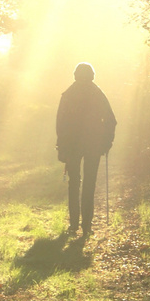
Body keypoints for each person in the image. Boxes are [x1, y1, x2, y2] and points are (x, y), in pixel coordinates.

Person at [55, 62, 117, 236]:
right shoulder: (98, 94)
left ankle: (74, 225)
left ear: (75, 75)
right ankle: (87, 226)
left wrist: (62, 146)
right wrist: (106, 142)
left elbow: (60, 123)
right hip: (93, 145)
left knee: (73, 183)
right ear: (92, 76)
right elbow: (111, 120)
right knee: (89, 184)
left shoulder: (68, 95)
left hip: (73, 146)